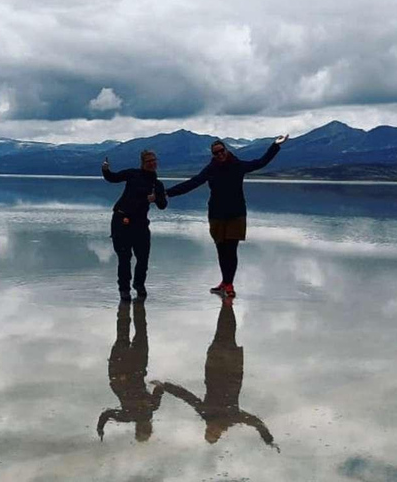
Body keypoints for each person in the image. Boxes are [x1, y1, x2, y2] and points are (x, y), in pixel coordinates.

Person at [165, 135, 288, 297]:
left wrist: (275, 146)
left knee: (231, 249)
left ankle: (229, 284)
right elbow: (193, 183)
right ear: (213, 155)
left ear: (226, 150)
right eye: (216, 153)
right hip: (216, 214)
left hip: (236, 213)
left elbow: (260, 162)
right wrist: (167, 193)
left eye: (221, 151)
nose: (219, 154)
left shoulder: (238, 165)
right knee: (221, 250)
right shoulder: (211, 169)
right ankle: (225, 282)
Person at [152, 297, 278, 450]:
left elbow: (186, 396)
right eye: (214, 433)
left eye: (208, 431)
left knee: (220, 334)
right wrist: (268, 439)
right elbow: (256, 422)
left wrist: (164, 386)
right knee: (229, 335)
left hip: (214, 369)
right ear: (220, 433)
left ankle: (226, 305)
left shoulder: (206, 412)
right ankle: (227, 305)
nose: (212, 429)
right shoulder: (232, 418)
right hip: (232, 371)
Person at [102, 150, 167, 301]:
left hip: (141, 224)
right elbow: (113, 178)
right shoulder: (133, 174)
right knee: (124, 258)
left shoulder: (157, 184)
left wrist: (155, 198)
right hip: (121, 220)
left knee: (143, 258)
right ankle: (124, 289)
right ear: (142, 163)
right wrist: (105, 170)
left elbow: (163, 205)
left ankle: (139, 285)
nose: (152, 163)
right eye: (148, 161)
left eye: (153, 160)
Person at [97, 298, 164, 442]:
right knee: (125, 332)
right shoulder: (129, 416)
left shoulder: (150, 408)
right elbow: (106, 414)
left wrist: (100, 428)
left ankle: (132, 302)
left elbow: (160, 388)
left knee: (137, 332)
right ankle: (127, 303)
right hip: (121, 371)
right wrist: (100, 428)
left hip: (131, 369)